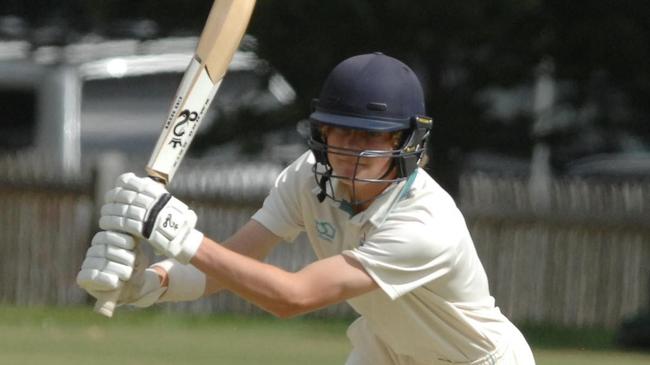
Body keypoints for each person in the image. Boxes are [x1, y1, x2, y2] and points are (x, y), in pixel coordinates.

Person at [77, 52, 535, 365]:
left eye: (371, 137)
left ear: (405, 141)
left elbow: (293, 297)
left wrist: (179, 234)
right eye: (342, 133)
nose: (352, 151)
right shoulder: (306, 178)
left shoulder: (425, 222)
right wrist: (150, 285)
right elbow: (233, 262)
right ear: (323, 134)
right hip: (390, 351)